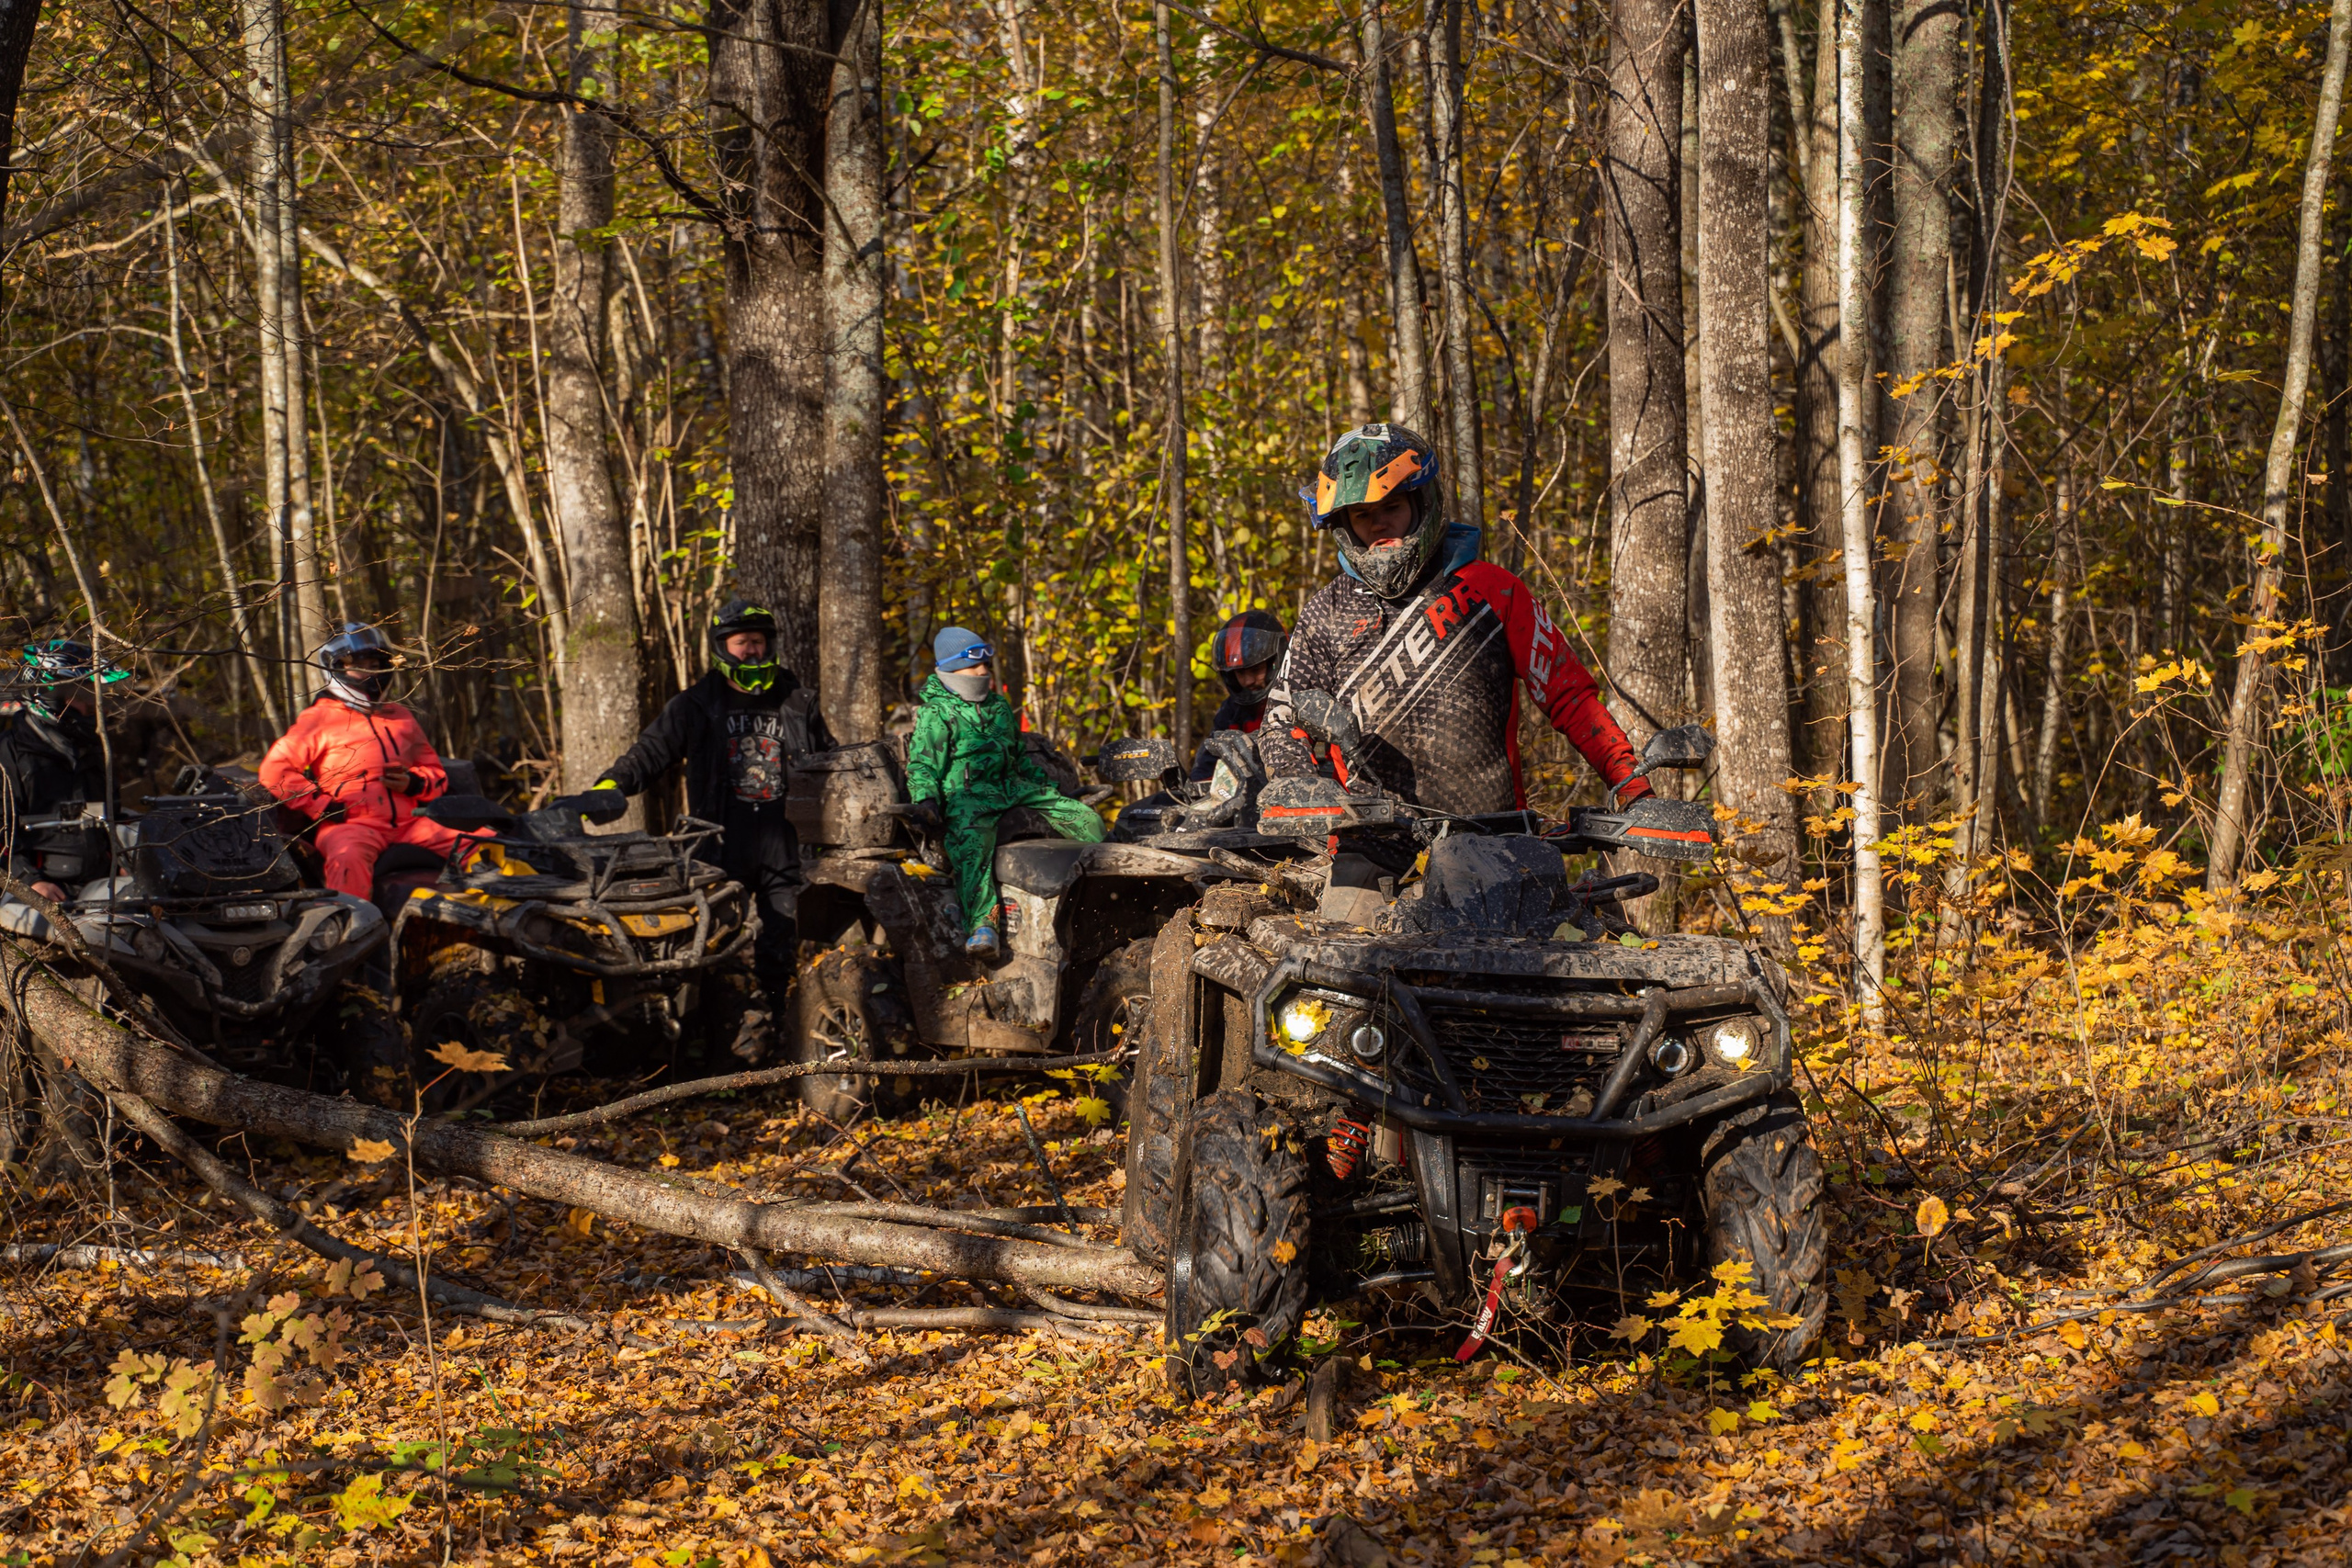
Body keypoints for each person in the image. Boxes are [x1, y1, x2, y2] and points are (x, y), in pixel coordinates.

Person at [1256, 423, 1652, 816]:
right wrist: (1299, 786)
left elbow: (1570, 696)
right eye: (1362, 514)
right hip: (1367, 841)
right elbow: (1282, 716)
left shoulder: (1493, 589)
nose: (1379, 524)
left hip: (1491, 835)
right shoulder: (1326, 612)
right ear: (1344, 526)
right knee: (1347, 881)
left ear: (1421, 502)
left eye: (1391, 506)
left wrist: (1632, 788)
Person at [580, 600, 832, 1031]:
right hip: (718, 847)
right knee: (713, 951)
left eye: (758, 641)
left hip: (784, 845)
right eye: (741, 643)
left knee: (781, 948)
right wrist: (610, 785)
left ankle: (784, 1033)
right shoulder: (696, 704)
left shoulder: (797, 700)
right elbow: (650, 753)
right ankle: (713, 1042)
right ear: (722, 648)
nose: (751, 651)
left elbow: (828, 759)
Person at [906, 627, 1102, 959]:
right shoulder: (936, 712)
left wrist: (1060, 791)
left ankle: (1106, 890)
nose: (983, 672)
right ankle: (984, 927)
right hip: (966, 795)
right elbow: (923, 765)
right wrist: (926, 800)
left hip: (1010, 787)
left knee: (1085, 819)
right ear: (952, 669)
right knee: (972, 846)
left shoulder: (997, 705)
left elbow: (1017, 758)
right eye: (973, 667)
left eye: (986, 665)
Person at [261, 624, 465, 900]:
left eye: (376, 665)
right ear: (337, 670)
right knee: (347, 858)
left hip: (412, 822)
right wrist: (321, 806)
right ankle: (353, 933)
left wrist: (413, 782)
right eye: (361, 667)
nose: (371, 674)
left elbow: (435, 772)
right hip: (351, 825)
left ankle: (511, 918)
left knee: (483, 841)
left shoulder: (400, 716)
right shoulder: (319, 718)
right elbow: (275, 771)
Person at [0, 640, 129, 900]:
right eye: (83, 696)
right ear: (49, 694)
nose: (93, 706)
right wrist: (31, 882)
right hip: (28, 891)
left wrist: (126, 859)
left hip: (97, 885)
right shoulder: (9, 756)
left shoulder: (93, 750)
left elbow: (114, 817)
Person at [1188, 609, 1286, 783]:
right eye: (1240, 673)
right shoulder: (1231, 711)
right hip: (1242, 801)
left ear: (1275, 662)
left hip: (1297, 801)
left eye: (1256, 670)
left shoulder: (1304, 702)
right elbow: (1205, 768)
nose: (1248, 681)